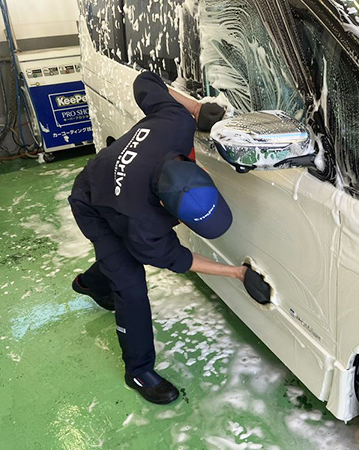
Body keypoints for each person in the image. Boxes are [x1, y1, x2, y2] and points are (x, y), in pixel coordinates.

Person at [68, 71, 271, 405]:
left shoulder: (175, 123)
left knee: (121, 257)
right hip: (92, 203)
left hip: (118, 188)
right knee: (130, 285)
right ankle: (138, 371)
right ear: (163, 205)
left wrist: (196, 108)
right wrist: (237, 273)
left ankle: (89, 284)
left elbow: (145, 81)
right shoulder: (143, 225)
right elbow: (182, 259)